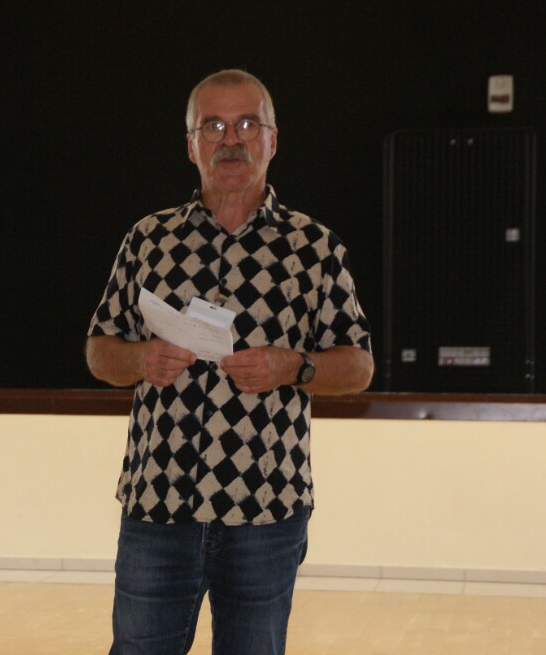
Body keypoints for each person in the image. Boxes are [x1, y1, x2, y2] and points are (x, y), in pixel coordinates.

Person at [85, 68, 373, 655]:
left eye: (247, 125)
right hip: (159, 505)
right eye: (213, 127)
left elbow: (359, 366)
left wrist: (293, 367)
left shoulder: (315, 248)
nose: (231, 140)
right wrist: (141, 358)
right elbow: (99, 351)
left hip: (266, 509)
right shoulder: (149, 239)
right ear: (190, 145)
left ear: (273, 140)